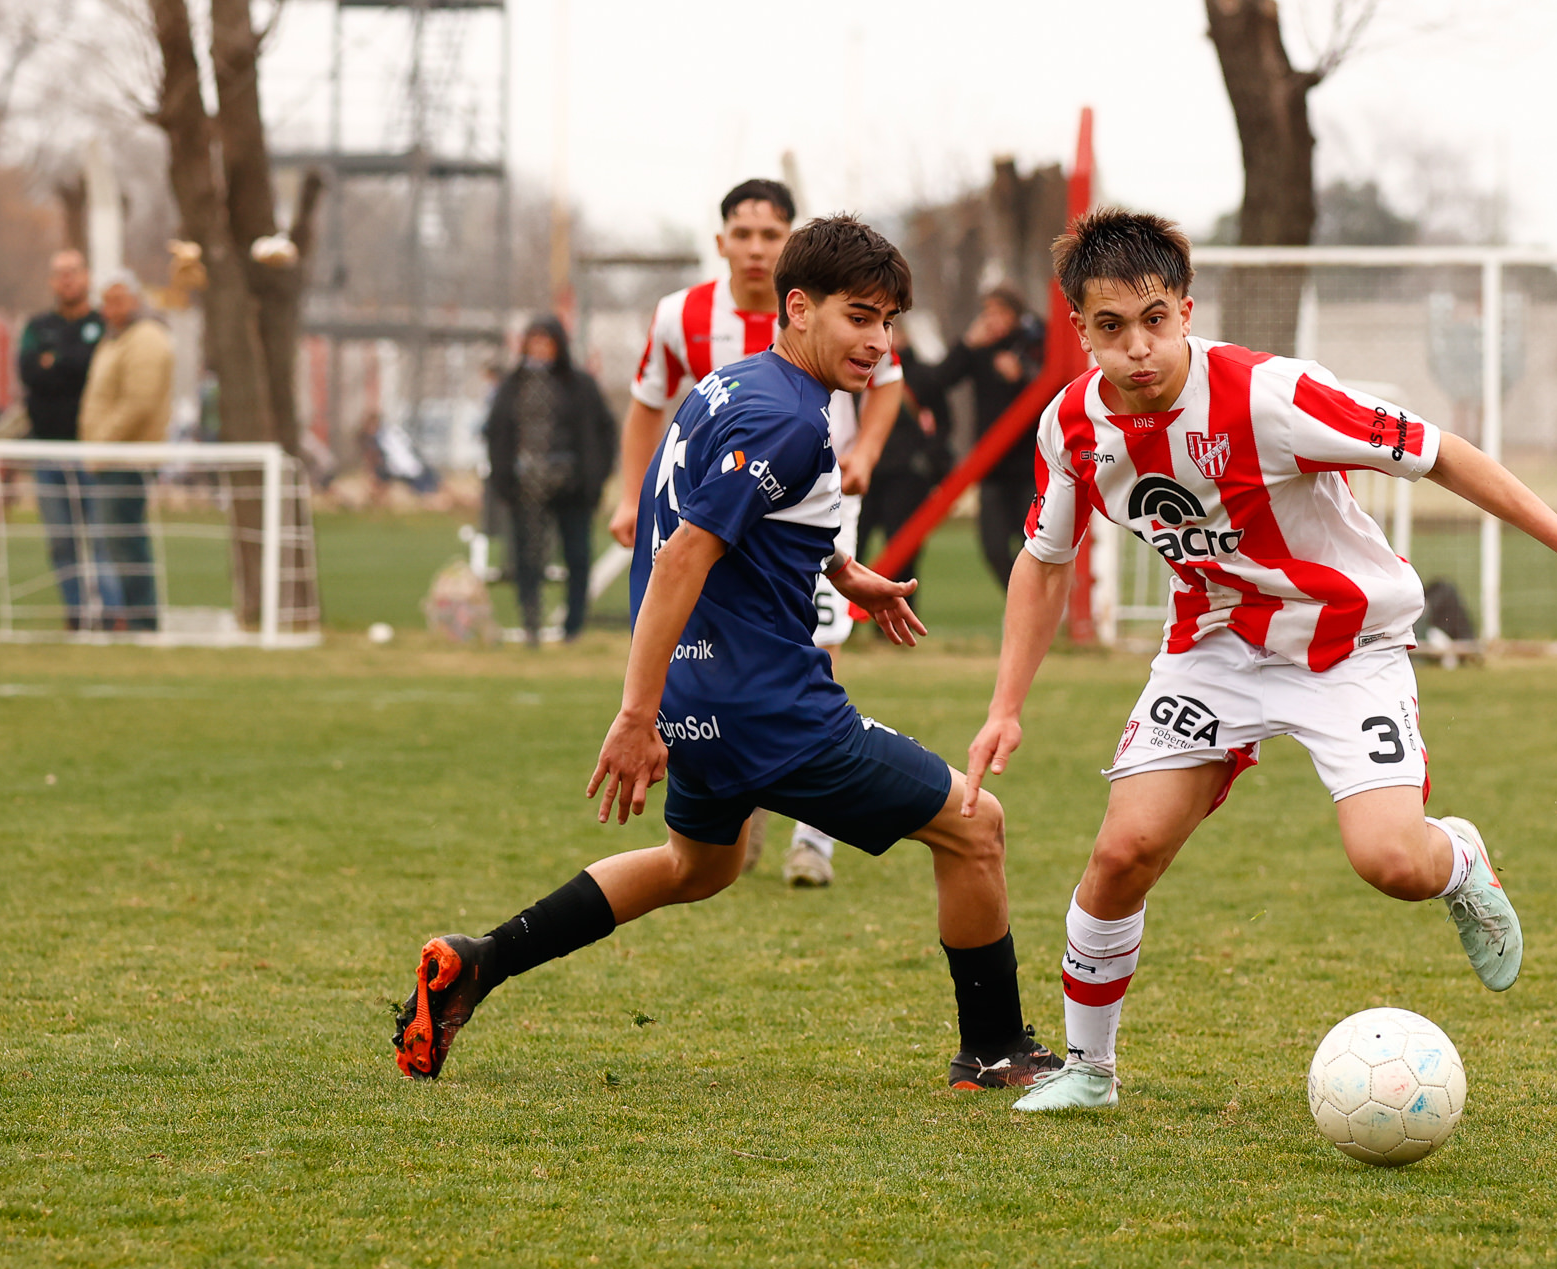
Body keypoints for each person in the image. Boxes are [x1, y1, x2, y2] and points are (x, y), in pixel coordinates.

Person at [963, 210, 1557, 1112]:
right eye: (1111, 327)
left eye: (1154, 320)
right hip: (1214, 646)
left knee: (1391, 861)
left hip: (1347, 644)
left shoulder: (1271, 395)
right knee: (1122, 850)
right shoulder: (1070, 426)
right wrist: (1005, 705)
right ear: (1080, 330)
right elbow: (1043, 561)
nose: (1137, 347)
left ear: (1185, 311)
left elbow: (1439, 453)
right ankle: (1089, 1071)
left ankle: (1458, 858)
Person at [393, 215, 1062, 1094]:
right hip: (765, 707)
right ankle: (995, 1049)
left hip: (697, 695)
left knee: (698, 866)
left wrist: (841, 570)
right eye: (860, 317)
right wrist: (631, 715)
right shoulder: (791, 419)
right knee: (975, 826)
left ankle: (479, 961)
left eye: (889, 321)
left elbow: (741, 512)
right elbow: (684, 555)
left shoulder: (733, 384)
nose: (879, 341)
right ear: (799, 307)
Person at [613, 178, 903, 887]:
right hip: (720, 512)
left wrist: (863, 456)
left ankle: (812, 837)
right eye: (741, 234)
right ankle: (736, 805)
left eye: (769, 234)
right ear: (721, 243)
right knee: (725, 654)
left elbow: (890, 382)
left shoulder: (851, 309)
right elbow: (648, 404)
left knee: (818, 647)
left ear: (787, 240)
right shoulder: (684, 315)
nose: (754, 247)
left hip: (812, 510)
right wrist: (629, 498)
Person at [483, 317, 617, 646]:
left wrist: (595, 477)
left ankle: (574, 627)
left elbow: (604, 431)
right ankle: (531, 624)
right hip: (526, 487)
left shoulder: (580, 385)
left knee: (577, 556)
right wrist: (503, 479)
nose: (540, 348)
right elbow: (496, 433)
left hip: (572, 486)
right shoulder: (513, 386)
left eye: (547, 341)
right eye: (534, 341)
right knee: (527, 558)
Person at [74, 269, 173, 631]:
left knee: (125, 541)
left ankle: (141, 620)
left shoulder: (145, 338)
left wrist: (102, 442)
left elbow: (139, 403)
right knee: (116, 541)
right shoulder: (117, 338)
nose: (110, 309)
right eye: (106, 302)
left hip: (126, 458)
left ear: (135, 300)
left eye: (118, 300)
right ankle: (131, 617)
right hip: (110, 457)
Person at [927, 285, 1044, 589]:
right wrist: (966, 344)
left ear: (1015, 315)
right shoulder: (979, 349)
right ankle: (1022, 602)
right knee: (993, 548)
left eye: (999, 312)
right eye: (988, 313)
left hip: (1030, 469)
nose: (992, 320)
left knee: (1036, 548)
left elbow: (1054, 393)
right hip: (991, 469)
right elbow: (936, 382)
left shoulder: (1035, 342)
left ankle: (1038, 606)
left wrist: (1021, 376)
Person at [16, 249, 104, 630]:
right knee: (61, 540)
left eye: (73, 271)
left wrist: (58, 361)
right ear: (52, 281)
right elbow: (30, 372)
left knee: (101, 536)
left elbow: (93, 370)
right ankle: (77, 614)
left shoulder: (101, 324)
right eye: (59, 273)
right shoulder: (38, 326)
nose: (66, 279)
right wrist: (71, 363)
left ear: (86, 276)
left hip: (92, 450)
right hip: (47, 450)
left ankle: (112, 613)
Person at [856, 337, 953, 603]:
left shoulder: (920, 375)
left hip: (906, 475)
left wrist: (924, 458)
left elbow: (944, 423)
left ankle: (897, 616)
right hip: (863, 470)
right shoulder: (856, 367)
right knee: (850, 548)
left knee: (901, 553)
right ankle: (844, 618)